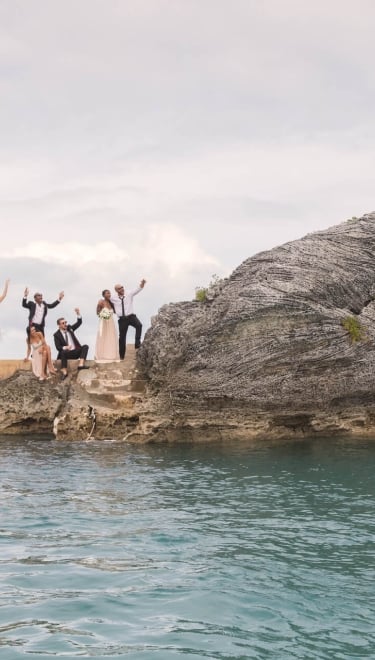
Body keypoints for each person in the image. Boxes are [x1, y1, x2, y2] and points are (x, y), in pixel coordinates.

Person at [111, 279, 146, 359]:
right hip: (122, 320)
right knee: (122, 338)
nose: (122, 289)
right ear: (116, 290)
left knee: (139, 325)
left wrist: (142, 283)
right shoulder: (113, 298)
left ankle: (137, 343)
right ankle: (122, 356)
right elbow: (107, 301)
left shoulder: (129, 293)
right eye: (119, 288)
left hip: (131, 316)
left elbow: (138, 289)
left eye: (122, 287)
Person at [53, 308, 90, 380]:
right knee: (62, 352)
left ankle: (81, 365)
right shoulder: (56, 335)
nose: (65, 324)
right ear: (59, 325)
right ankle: (64, 372)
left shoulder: (70, 328)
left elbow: (79, 323)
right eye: (63, 323)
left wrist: (78, 313)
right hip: (66, 354)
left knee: (85, 346)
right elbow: (58, 347)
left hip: (75, 352)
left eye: (65, 322)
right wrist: (65, 347)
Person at [94, 289, 120, 362]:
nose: (109, 294)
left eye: (110, 293)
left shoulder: (111, 303)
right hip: (104, 322)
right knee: (103, 337)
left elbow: (116, 311)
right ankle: (102, 355)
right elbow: (97, 312)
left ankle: (111, 355)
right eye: (107, 293)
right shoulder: (101, 302)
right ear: (103, 295)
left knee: (111, 337)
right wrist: (103, 315)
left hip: (111, 322)